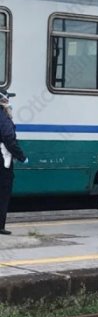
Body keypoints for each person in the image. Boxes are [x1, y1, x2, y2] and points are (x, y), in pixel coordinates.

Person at [0, 90, 27, 235]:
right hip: (2, 162)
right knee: (3, 192)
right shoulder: (3, 117)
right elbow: (8, 138)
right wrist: (21, 156)